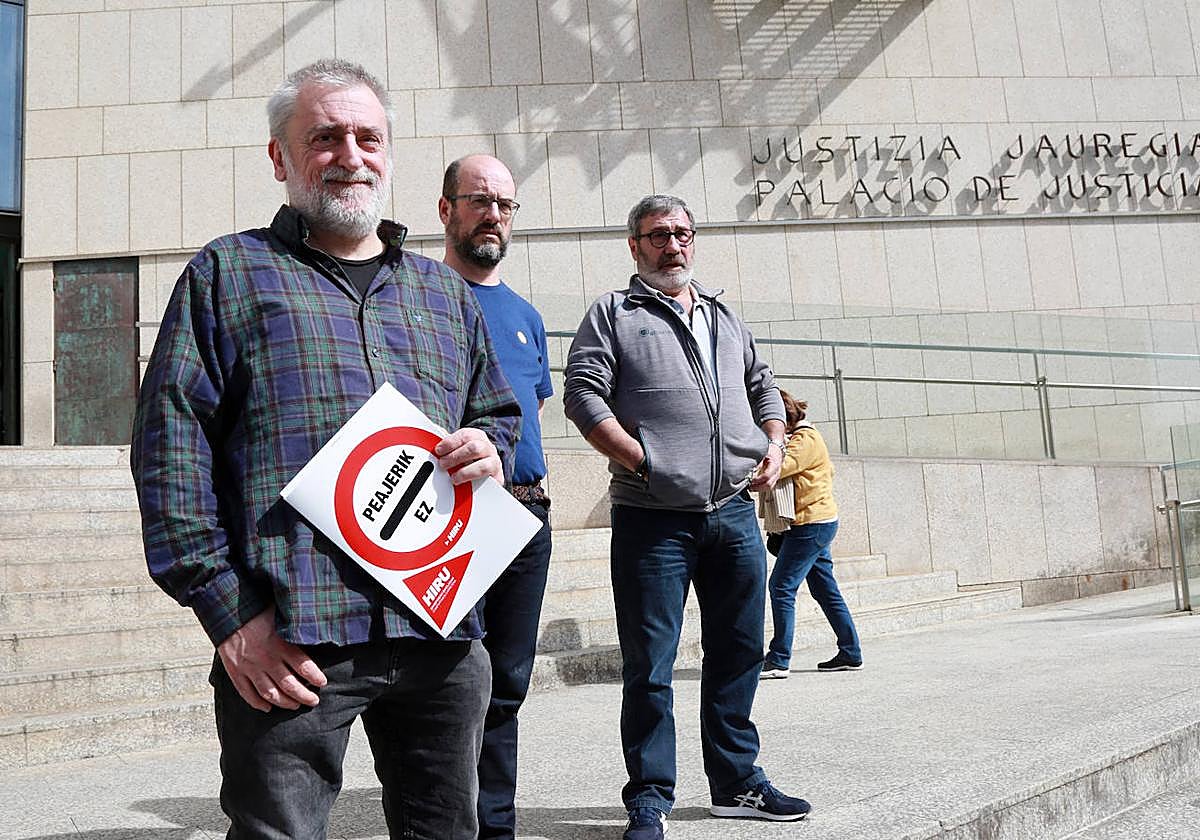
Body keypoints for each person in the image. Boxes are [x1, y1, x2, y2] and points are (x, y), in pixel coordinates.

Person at [130, 59, 522, 840]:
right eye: (325, 137)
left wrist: (491, 446)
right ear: (281, 157)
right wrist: (232, 617)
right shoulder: (228, 274)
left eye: (367, 136)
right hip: (293, 637)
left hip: (440, 634)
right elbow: (170, 452)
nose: (350, 154)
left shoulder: (442, 292)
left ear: (389, 152)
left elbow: (497, 413)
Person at [563, 194, 812, 840]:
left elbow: (762, 383)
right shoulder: (614, 314)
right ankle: (649, 796)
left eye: (681, 233)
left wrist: (775, 443)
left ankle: (735, 782)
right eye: (657, 235)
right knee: (650, 663)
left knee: (738, 648)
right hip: (652, 519)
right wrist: (641, 460)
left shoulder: (725, 315)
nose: (672, 245)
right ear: (635, 246)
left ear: (693, 241)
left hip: (732, 513)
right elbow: (583, 392)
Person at [438, 154, 553, 840]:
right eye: (479, 200)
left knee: (507, 687)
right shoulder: (417, 297)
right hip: (454, 513)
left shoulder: (526, 315)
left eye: (505, 205)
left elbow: (530, 408)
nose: (493, 215)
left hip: (528, 513)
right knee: (451, 689)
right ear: (446, 209)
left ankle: (496, 828)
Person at [760, 390, 863, 678]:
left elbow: (777, 468)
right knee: (825, 590)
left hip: (812, 525)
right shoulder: (801, 438)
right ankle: (851, 653)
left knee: (781, 587)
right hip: (814, 523)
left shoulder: (805, 439)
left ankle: (779, 659)